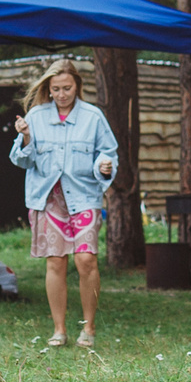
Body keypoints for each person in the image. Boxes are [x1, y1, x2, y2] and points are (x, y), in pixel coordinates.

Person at [11, 58, 117, 350]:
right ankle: (59, 329)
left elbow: (107, 153)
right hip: (48, 200)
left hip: (83, 197)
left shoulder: (93, 117)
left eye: (67, 88)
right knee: (56, 262)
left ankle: (89, 326)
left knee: (86, 259)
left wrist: (104, 166)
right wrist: (26, 137)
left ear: (77, 86)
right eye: (56, 89)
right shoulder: (35, 115)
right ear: (48, 88)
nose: (61, 94)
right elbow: (22, 160)